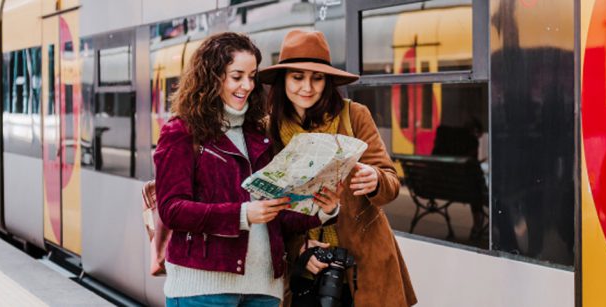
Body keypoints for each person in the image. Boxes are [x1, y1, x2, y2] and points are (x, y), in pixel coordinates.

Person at [153, 32, 338, 307]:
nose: (247, 85)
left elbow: (277, 214)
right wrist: (242, 214)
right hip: (202, 291)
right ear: (212, 76)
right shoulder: (182, 131)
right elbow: (172, 210)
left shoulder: (260, 134)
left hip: (263, 290)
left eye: (252, 76)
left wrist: (323, 210)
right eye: (237, 76)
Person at [259, 29, 417, 307]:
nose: (307, 87)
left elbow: (391, 185)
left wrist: (376, 179)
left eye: (317, 78)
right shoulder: (267, 129)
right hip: (303, 270)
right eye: (297, 77)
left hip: (363, 264)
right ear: (283, 79)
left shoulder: (354, 115)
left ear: (328, 81)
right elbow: (266, 211)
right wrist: (298, 250)